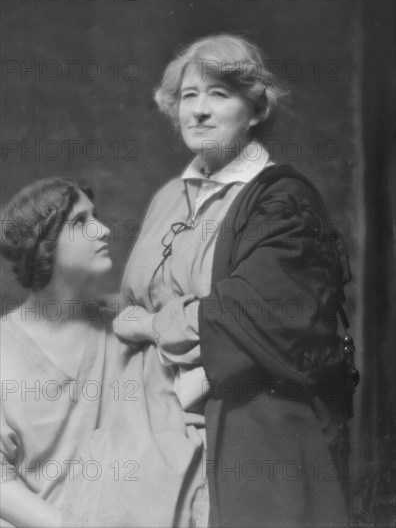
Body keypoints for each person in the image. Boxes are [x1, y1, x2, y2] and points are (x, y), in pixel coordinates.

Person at [64, 34, 355, 527]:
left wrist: (151, 328)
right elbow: (141, 300)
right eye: (188, 96)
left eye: (219, 95)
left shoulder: (281, 201)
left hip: (246, 426)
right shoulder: (167, 199)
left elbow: (247, 318)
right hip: (148, 422)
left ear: (256, 110)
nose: (198, 111)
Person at [0, 178, 130, 528]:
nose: (102, 230)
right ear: (42, 242)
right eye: (79, 222)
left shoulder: (126, 324)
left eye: (95, 216)